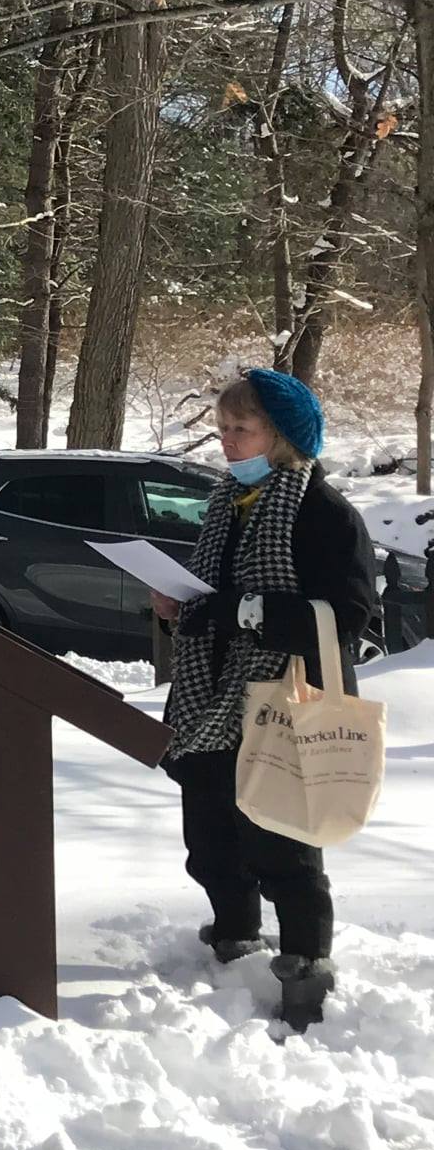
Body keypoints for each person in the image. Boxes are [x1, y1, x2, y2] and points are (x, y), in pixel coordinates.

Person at [153, 369, 375, 1031]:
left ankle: (307, 966)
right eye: (220, 429)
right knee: (211, 842)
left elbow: (348, 617)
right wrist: (180, 610)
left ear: (280, 437)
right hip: (213, 703)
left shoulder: (324, 514)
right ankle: (234, 938)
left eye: (239, 429)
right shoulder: (227, 504)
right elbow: (214, 607)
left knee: (284, 845)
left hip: (290, 704)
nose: (225, 442)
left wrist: (240, 612)